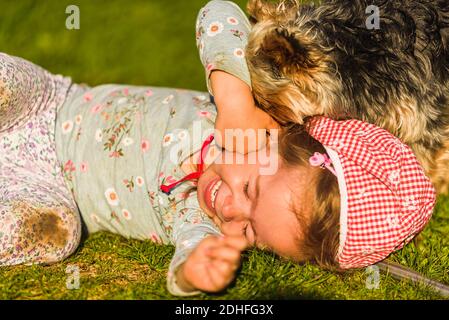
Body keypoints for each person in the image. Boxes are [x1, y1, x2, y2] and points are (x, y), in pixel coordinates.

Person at [0, 1, 436, 297]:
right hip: (50, 103)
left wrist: (196, 271)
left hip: (51, 189)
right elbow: (218, 13)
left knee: (56, 235)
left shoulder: (199, 219)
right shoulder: (237, 109)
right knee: (9, 84)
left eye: (251, 234)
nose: (228, 209)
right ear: (278, 133)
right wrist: (235, 102)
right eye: (249, 190)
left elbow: (189, 259)